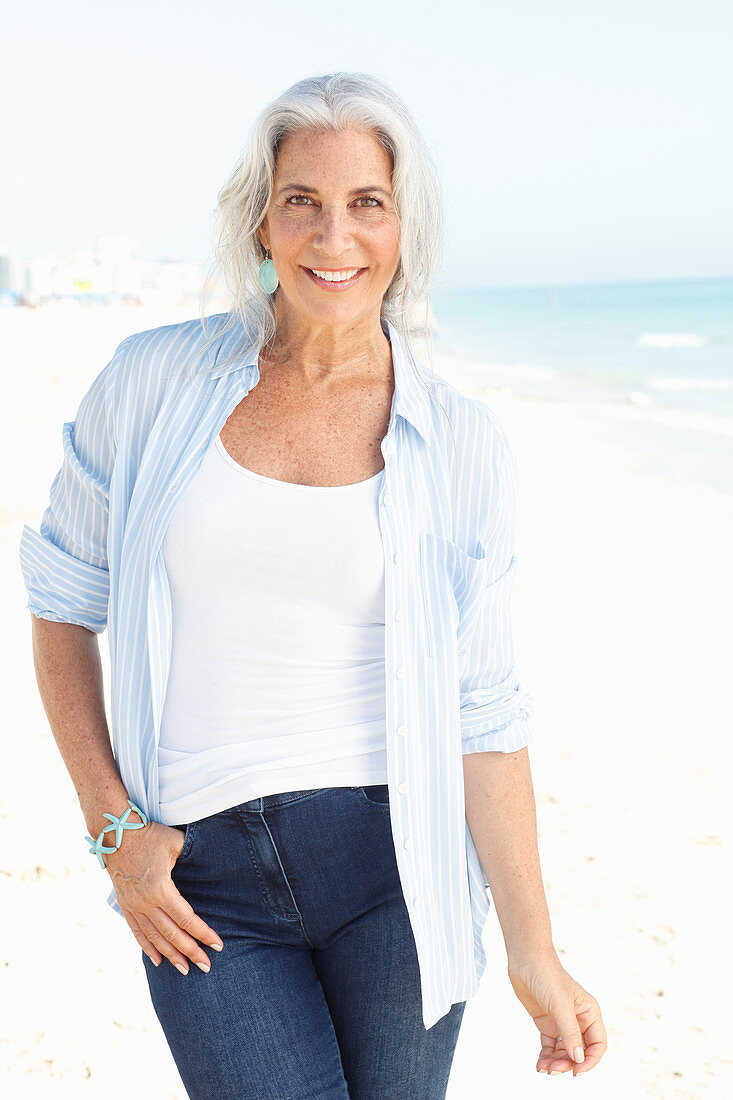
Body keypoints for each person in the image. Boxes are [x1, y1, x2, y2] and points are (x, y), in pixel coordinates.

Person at [20, 71, 606, 1097]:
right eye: (303, 202)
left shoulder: (461, 441)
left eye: (366, 204)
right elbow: (64, 604)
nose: (334, 237)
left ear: (403, 227)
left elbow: (483, 713)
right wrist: (112, 828)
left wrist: (533, 951)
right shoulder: (151, 382)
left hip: (397, 873)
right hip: (202, 880)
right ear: (261, 220)